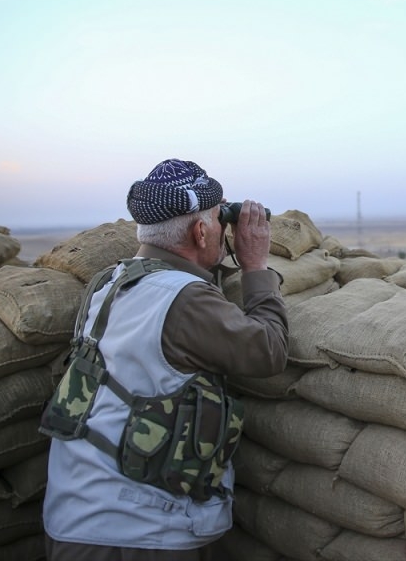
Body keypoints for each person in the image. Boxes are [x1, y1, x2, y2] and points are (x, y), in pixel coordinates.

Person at [41, 158, 289, 560]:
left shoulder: (111, 281)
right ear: (200, 230)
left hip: (74, 519)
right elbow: (269, 350)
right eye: (217, 220)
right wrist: (256, 266)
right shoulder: (185, 299)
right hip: (140, 533)